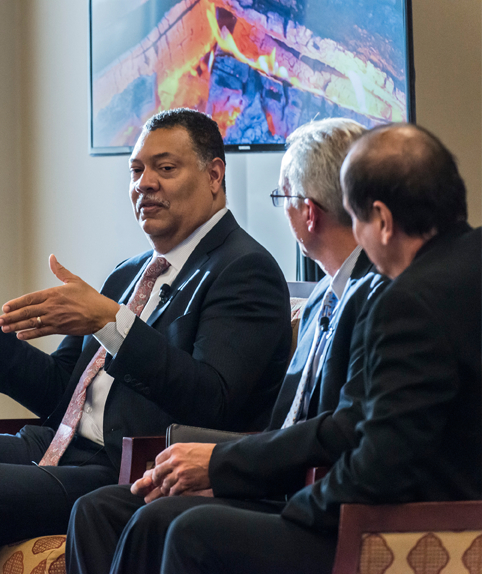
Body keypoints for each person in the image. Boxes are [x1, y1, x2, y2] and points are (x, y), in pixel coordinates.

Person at [0, 109, 291, 574]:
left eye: (165, 168)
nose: (144, 184)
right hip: (55, 443)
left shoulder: (243, 270)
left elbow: (211, 400)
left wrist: (113, 323)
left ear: (214, 174)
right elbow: (58, 391)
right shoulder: (128, 273)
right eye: (136, 170)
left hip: (123, 468)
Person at [112, 123, 479, 574]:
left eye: (357, 219)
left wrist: (291, 509)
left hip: (416, 529)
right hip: (435, 510)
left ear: (381, 221)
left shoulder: (405, 301)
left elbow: (377, 460)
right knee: (166, 521)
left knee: (192, 534)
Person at [66, 117, 387, 574]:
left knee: (166, 523)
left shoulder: (372, 294)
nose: (144, 184)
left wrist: (223, 468)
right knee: (104, 509)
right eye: (136, 170)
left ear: (308, 212)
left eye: (283, 198)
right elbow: (289, 423)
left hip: (329, 503)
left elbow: (340, 430)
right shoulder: (322, 298)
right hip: (277, 477)